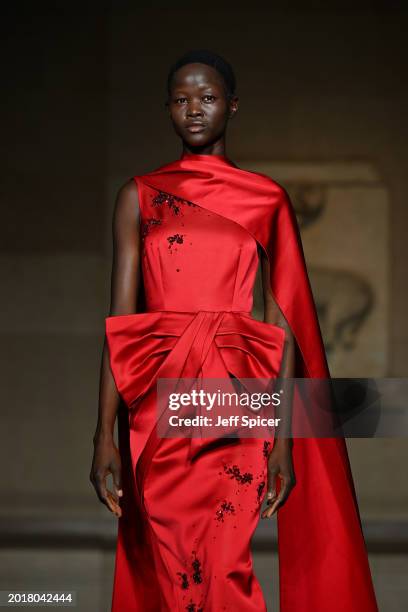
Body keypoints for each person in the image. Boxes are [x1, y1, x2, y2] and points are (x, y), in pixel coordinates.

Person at [90, 50, 378, 611]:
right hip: (157, 401)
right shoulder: (139, 196)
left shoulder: (266, 199)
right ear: (167, 109)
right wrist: (104, 432)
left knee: (223, 568)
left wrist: (284, 442)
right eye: (180, 99)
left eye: (208, 97)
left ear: (233, 105)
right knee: (171, 569)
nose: (193, 110)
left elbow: (284, 321)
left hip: (235, 400)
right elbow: (120, 326)